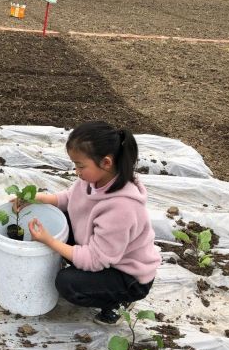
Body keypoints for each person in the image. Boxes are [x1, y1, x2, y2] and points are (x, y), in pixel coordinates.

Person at [19, 121, 160, 325]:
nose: (76, 171)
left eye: (80, 165)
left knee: (68, 283)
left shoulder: (122, 208)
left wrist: (49, 241)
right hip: (104, 253)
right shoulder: (94, 179)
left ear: (106, 162)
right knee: (58, 217)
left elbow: (95, 260)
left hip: (127, 276)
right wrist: (40, 198)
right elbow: (70, 199)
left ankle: (119, 302)